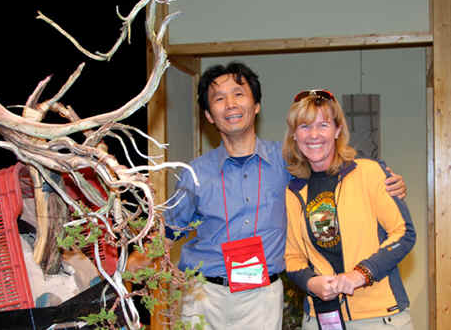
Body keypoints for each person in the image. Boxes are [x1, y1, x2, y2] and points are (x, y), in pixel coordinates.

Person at [132, 62, 405, 330]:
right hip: (204, 296)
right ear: (208, 115)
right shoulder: (195, 173)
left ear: (256, 106)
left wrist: (389, 182)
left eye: (239, 94)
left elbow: (336, 170)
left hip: (262, 298)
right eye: (219, 98)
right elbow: (168, 232)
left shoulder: (289, 161)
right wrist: (127, 269)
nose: (230, 104)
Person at [282, 89, 415, 329]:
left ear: (338, 130)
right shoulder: (293, 191)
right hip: (320, 318)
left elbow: (404, 233)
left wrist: (359, 275)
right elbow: (292, 257)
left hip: (379, 317)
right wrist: (312, 283)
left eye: (323, 125)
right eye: (304, 126)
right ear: (294, 135)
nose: (314, 135)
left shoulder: (369, 172)